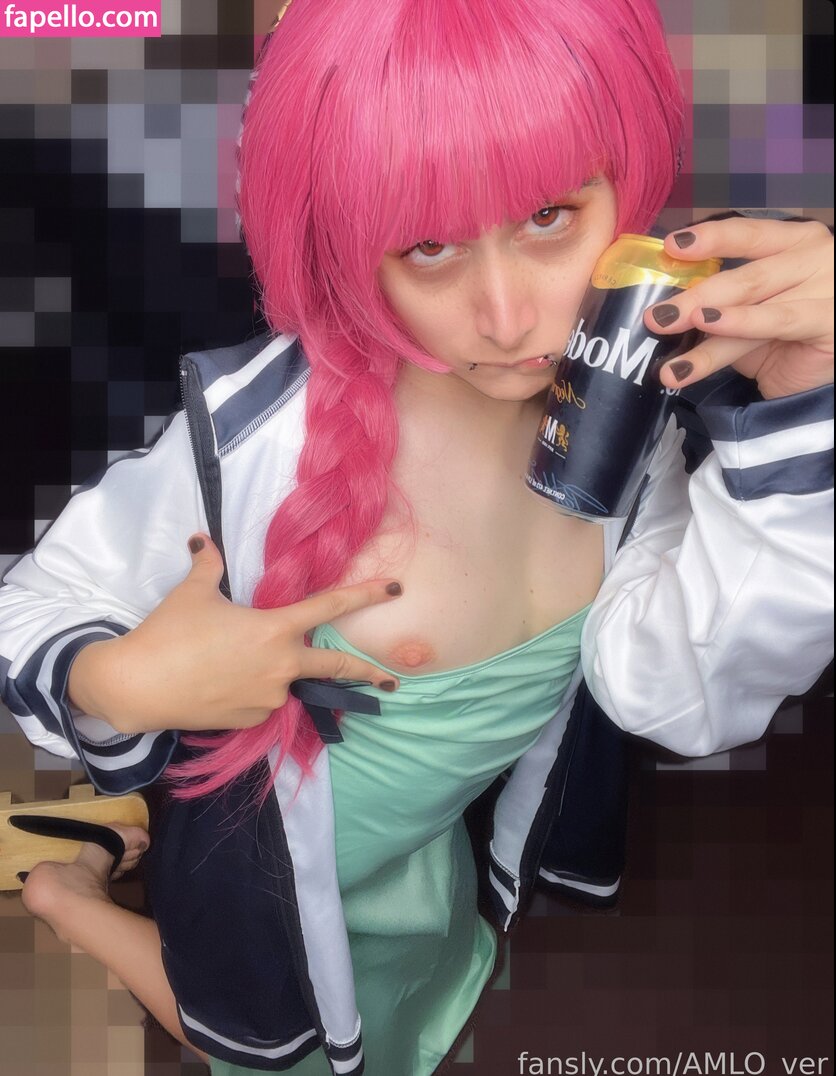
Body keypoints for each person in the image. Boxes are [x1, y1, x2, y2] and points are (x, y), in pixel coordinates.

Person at [0, 0, 832, 1073]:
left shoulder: (631, 421)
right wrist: (120, 680)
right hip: (254, 861)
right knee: (263, 1039)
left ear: (623, 187)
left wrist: (806, 422)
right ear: (349, 244)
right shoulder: (263, 437)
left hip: (412, 850)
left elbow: (672, 691)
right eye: (430, 244)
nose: (507, 315)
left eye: (548, 215)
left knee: (384, 988)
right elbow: (30, 603)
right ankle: (64, 894)